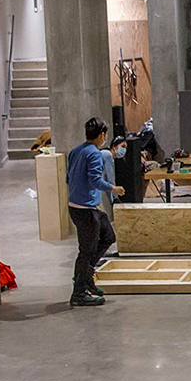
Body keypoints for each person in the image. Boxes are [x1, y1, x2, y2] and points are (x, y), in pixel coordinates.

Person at [65, 118, 125, 307]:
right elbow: (95, 180)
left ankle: (87, 276)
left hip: (79, 206)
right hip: (85, 210)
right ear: (102, 135)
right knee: (86, 250)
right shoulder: (94, 154)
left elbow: (68, 178)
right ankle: (79, 292)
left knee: (108, 235)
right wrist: (113, 188)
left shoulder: (76, 151)